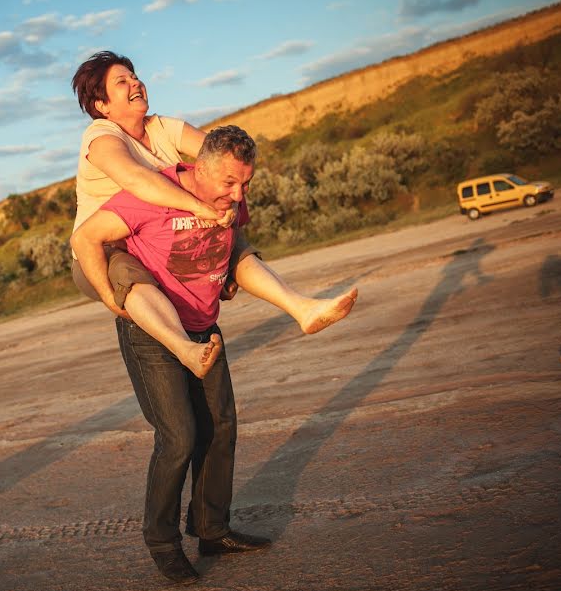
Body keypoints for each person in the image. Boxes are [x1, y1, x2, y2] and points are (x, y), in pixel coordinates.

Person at [71, 126, 358, 585]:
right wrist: (111, 297)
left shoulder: (233, 199)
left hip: (205, 327)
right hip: (155, 336)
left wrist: (223, 278)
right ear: (198, 167)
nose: (237, 194)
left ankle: (211, 529)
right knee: (179, 436)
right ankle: (162, 542)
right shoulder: (154, 191)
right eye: (228, 183)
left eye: (245, 183)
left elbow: (228, 247)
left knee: (221, 428)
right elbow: (87, 237)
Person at [70, 51, 358, 380]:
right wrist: (199, 207)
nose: (135, 82)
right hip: (106, 250)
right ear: (102, 105)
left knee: (232, 239)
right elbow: (137, 180)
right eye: (121, 81)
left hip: (160, 240)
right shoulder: (101, 136)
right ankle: (186, 349)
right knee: (130, 270)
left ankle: (303, 308)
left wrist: (227, 198)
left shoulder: (163, 127)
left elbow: (220, 160)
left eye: (134, 76)